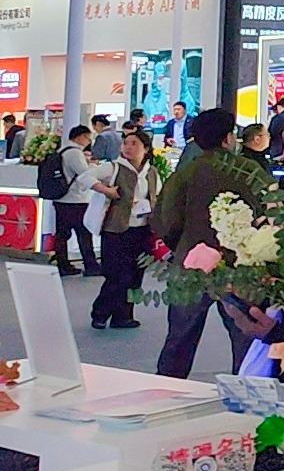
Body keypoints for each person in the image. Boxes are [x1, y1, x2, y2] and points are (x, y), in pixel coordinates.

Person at [154, 109, 272, 379]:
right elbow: (270, 214)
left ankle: (168, 388)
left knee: (179, 337)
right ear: (228, 138)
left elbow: (166, 221)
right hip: (241, 267)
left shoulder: (185, 173)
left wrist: (185, 248)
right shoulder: (248, 170)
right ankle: (246, 394)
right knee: (246, 338)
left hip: (190, 264)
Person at [89, 128, 160, 331]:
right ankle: (100, 313)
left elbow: (157, 196)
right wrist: (106, 190)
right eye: (126, 143)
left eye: (134, 144)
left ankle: (124, 316)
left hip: (142, 230)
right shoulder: (113, 167)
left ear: (146, 149)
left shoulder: (152, 173)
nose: (128, 147)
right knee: (117, 275)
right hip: (116, 230)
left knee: (136, 276)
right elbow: (85, 177)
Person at [52, 125, 101, 277]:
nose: (88, 142)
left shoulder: (62, 150)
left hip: (61, 198)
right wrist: (93, 165)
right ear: (80, 137)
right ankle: (90, 265)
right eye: (88, 138)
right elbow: (85, 174)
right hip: (75, 199)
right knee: (84, 233)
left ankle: (63, 264)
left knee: (62, 234)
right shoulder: (75, 153)